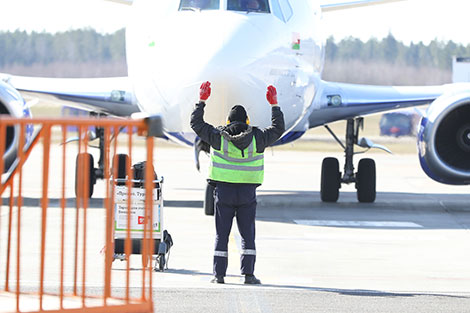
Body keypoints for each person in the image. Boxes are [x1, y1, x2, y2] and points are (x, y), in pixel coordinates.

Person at [190, 81, 285, 284]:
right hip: (247, 194)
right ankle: (248, 275)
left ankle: (219, 275)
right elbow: (278, 129)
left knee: (221, 235)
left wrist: (201, 101)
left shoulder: (218, 136)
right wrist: (274, 105)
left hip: (223, 192)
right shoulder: (257, 137)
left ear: (228, 121)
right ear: (247, 120)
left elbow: (196, 125)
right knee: (247, 236)